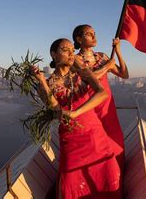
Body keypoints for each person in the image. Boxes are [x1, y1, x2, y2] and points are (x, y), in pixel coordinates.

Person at [31, 38, 121, 199]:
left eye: (73, 50)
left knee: (107, 179)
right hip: (71, 142)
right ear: (54, 54)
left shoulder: (83, 73)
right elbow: (56, 111)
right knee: (71, 185)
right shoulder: (46, 84)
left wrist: (75, 113)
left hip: (96, 138)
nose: (72, 53)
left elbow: (102, 93)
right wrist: (43, 83)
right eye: (66, 50)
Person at [72, 24, 129, 173]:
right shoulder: (75, 60)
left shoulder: (102, 56)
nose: (94, 36)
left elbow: (124, 74)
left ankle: (116, 178)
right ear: (79, 39)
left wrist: (118, 52)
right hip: (89, 107)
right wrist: (107, 66)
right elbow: (89, 79)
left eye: (94, 33)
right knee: (95, 146)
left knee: (115, 142)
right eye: (88, 34)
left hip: (107, 107)